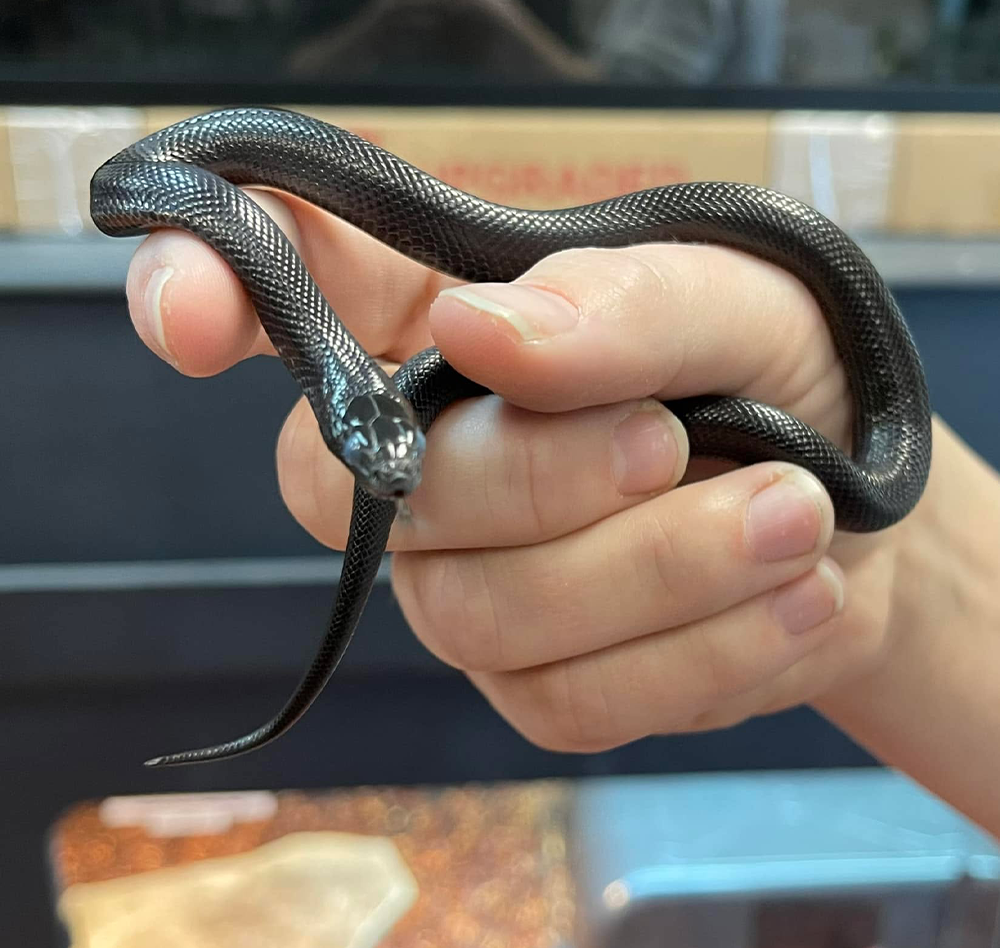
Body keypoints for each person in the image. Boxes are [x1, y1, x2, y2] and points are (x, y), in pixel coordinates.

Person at [125, 187, 1000, 839]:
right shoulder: (194, 204)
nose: (397, 479)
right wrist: (901, 588)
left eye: (399, 456)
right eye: (376, 467)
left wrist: (890, 564)